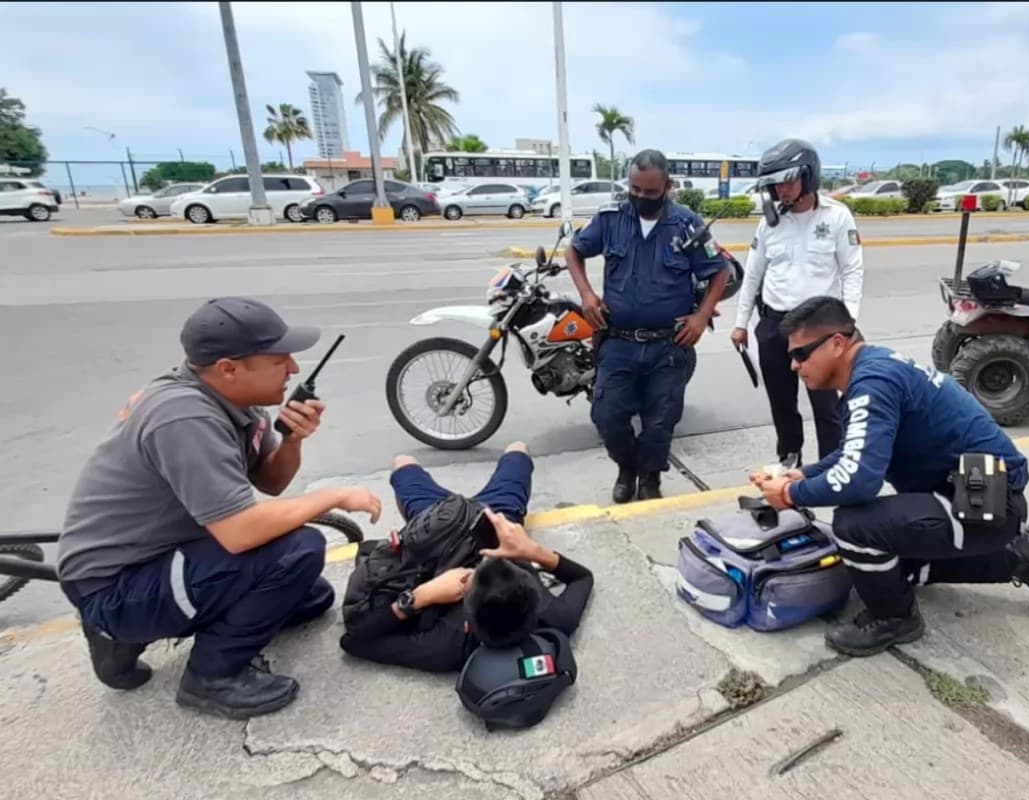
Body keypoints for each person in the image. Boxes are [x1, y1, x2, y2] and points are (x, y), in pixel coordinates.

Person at [56, 297, 384, 720]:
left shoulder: (236, 401)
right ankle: (212, 676)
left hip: (158, 558)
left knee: (308, 593)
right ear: (229, 368)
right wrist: (335, 496)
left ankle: (152, 628)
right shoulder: (183, 416)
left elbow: (271, 481)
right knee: (300, 549)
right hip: (115, 588)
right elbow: (239, 532)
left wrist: (293, 440)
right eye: (279, 360)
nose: (294, 370)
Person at [749, 296, 1029, 657]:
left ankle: (895, 619)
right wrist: (801, 474)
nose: (794, 365)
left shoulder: (872, 382)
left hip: (986, 492)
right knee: (887, 570)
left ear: (837, 344)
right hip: (972, 483)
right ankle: (1021, 556)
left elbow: (859, 481)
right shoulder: (872, 370)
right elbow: (853, 455)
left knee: (855, 527)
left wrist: (791, 494)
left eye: (801, 354)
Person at [338, 443, 595, 672]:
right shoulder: (554, 617)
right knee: (518, 451)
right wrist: (530, 550)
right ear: (535, 595)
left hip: (441, 532)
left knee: (402, 463)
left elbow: (355, 641)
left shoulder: (445, 647)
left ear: (467, 610)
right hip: (497, 520)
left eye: (475, 572)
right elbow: (583, 577)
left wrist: (420, 597)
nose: (486, 560)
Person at [566, 148, 731, 504]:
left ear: (668, 187)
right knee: (607, 415)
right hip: (618, 342)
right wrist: (587, 295)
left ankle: (651, 476)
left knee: (661, 420)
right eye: (634, 190)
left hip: (668, 345)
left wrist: (702, 316)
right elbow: (573, 251)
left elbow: (720, 271)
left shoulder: (687, 224)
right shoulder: (610, 218)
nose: (640, 198)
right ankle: (627, 468)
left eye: (650, 192)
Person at [731, 138, 864, 468]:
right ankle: (789, 457)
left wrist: (849, 325)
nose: (782, 191)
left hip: (819, 328)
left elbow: (852, 270)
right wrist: (740, 323)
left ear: (809, 176)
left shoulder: (836, 217)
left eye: (788, 181)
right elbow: (752, 275)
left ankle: (833, 464)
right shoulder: (769, 223)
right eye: (776, 184)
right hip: (775, 324)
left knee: (826, 406)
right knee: (781, 401)